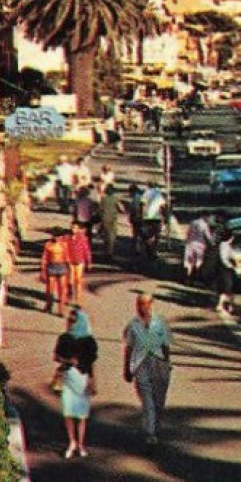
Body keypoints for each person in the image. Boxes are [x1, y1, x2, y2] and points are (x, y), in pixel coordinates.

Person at [122, 291, 172, 446]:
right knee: (147, 400)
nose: (142, 307)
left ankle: (155, 427)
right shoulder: (133, 325)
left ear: (151, 305)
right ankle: (150, 433)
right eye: (140, 304)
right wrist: (127, 369)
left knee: (159, 401)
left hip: (159, 363)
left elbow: (166, 345)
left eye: (146, 304)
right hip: (141, 364)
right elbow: (128, 348)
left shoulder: (160, 323)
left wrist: (167, 363)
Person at [54, 306, 99, 458]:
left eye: (73, 320)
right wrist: (68, 361)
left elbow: (91, 363)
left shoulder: (89, 341)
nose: (70, 322)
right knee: (68, 412)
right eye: (69, 320)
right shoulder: (64, 338)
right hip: (68, 378)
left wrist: (93, 381)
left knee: (81, 415)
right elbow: (56, 357)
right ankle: (71, 441)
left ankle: (80, 443)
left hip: (83, 378)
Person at [40, 229, 72, 316]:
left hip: (61, 266)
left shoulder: (64, 245)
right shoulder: (48, 244)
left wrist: (70, 269)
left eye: (58, 236)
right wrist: (43, 270)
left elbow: (67, 257)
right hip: (51, 267)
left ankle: (61, 310)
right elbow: (45, 257)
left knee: (62, 289)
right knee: (50, 288)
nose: (57, 238)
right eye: (55, 236)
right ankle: (49, 306)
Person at [183, 213, 214, 284]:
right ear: (205, 216)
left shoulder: (192, 222)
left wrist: (187, 240)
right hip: (200, 245)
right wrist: (212, 243)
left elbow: (188, 233)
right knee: (198, 262)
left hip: (190, 244)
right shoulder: (204, 225)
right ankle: (196, 279)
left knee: (189, 262)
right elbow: (208, 236)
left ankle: (187, 278)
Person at [66, 223, 93, 306]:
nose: (73, 229)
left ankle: (78, 300)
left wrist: (89, 261)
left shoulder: (82, 238)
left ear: (78, 229)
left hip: (80, 261)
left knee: (78, 280)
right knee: (70, 280)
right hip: (70, 260)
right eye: (72, 227)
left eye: (75, 228)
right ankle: (69, 294)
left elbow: (86, 250)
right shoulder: (67, 238)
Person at [98, 184, 123, 257]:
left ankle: (106, 249)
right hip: (113, 219)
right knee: (112, 235)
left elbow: (100, 209)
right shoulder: (115, 199)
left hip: (104, 218)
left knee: (106, 234)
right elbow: (121, 209)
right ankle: (110, 251)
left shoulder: (103, 199)